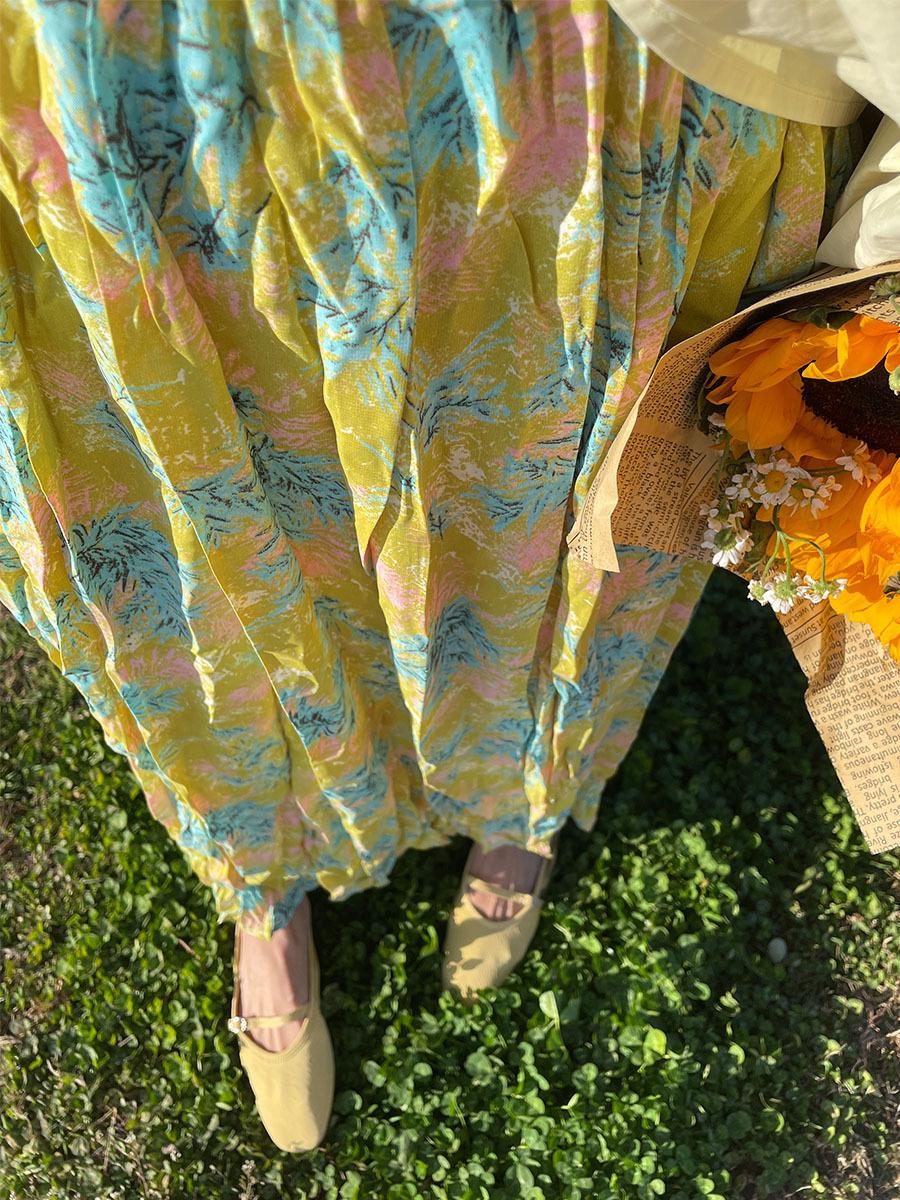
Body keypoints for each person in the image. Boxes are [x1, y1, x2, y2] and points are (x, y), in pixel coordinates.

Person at [0, 0, 892, 1154]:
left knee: (550, 491)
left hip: (587, 61)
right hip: (129, 77)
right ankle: (264, 878)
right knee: (190, 522)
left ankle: (524, 790)